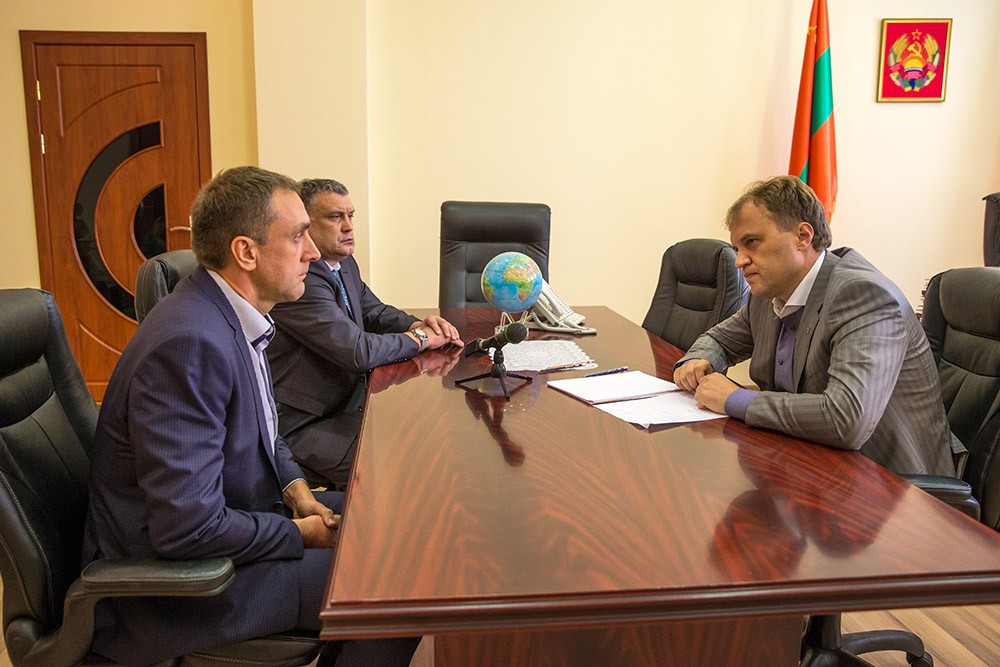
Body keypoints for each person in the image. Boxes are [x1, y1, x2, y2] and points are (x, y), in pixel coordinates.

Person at [81, 166, 418, 666]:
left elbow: (265, 427)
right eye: (298, 236)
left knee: (395, 520)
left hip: (241, 520)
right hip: (176, 591)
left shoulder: (234, 314)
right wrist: (299, 533)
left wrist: (297, 491)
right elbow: (188, 529)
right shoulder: (190, 345)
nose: (312, 252)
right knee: (396, 586)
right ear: (246, 252)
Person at [674, 175, 960, 476]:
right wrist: (698, 361)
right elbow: (719, 341)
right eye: (737, 248)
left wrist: (735, 399)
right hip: (809, 463)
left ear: (803, 236)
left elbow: (846, 418)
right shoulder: (770, 293)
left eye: (751, 243)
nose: (739, 261)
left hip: (892, 483)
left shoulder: (863, 295)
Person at [268, 178, 462, 488]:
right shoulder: (302, 280)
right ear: (305, 225)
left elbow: (375, 311)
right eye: (335, 217)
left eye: (351, 216)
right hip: (305, 424)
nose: (348, 227)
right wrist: (422, 339)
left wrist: (417, 325)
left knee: (428, 436)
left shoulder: (342, 263)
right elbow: (358, 351)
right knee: (395, 469)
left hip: (348, 400)